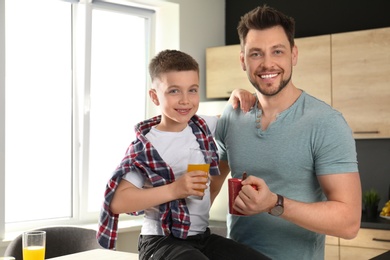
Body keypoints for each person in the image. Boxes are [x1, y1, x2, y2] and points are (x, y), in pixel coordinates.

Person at [211, 5, 362, 260]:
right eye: (256, 53)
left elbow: (349, 223)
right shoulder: (233, 115)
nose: (267, 63)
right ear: (242, 61)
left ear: (293, 54)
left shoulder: (326, 123)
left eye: (277, 51)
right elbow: (205, 189)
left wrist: (274, 203)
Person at [96, 49, 269, 260]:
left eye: (193, 90)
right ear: (154, 96)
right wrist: (175, 189)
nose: (186, 100)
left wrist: (235, 94)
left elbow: (229, 119)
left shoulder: (202, 127)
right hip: (160, 241)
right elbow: (118, 202)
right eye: (174, 91)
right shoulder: (146, 145)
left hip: (201, 238)